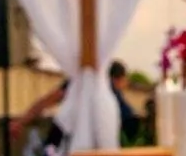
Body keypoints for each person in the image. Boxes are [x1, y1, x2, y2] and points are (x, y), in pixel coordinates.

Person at [9, 60, 140, 146]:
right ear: (119, 79)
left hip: (62, 139)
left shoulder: (80, 83)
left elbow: (47, 101)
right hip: (70, 143)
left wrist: (21, 122)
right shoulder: (108, 93)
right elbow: (130, 122)